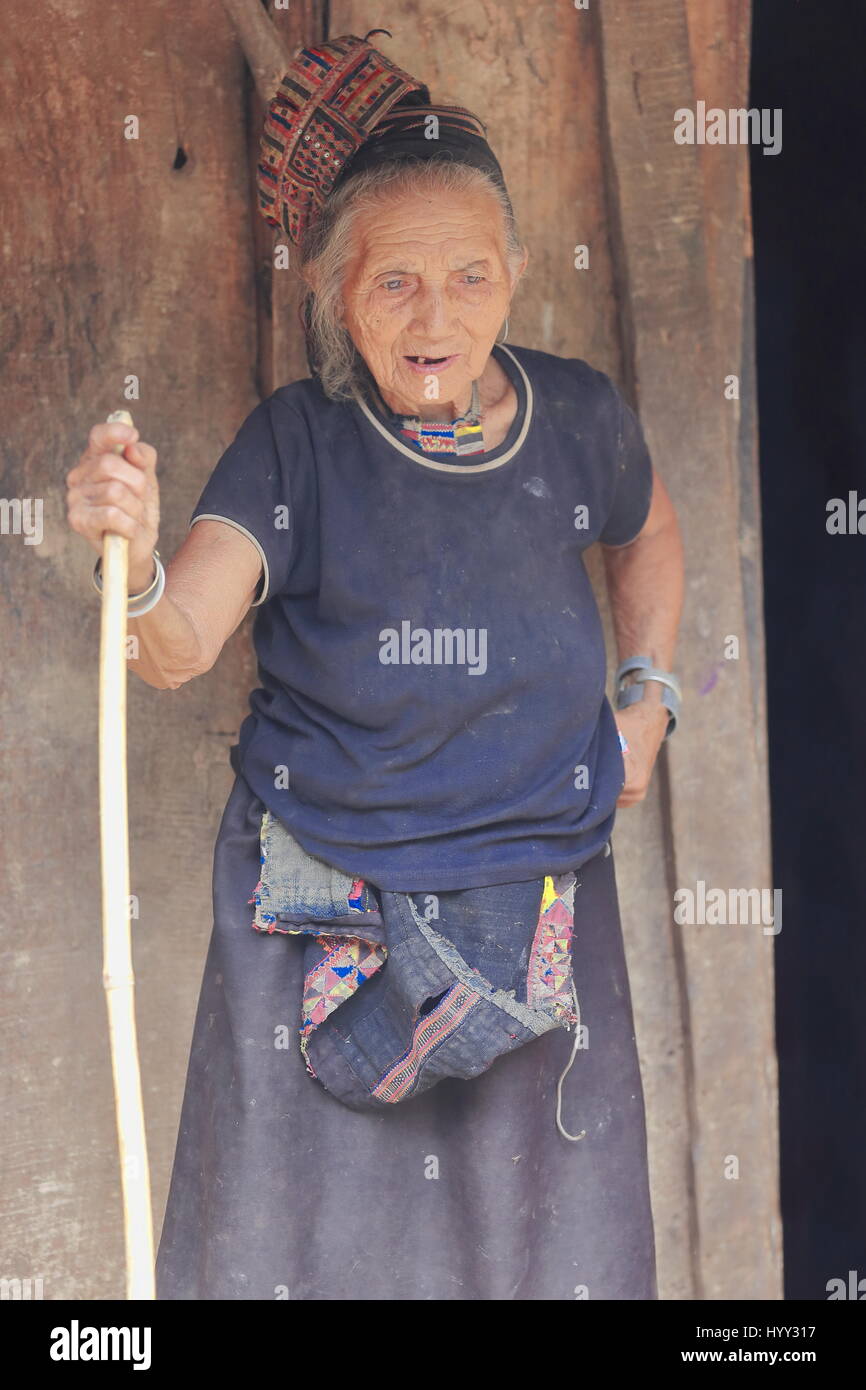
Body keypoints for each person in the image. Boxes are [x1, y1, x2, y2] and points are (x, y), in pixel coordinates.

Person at [66, 33, 684, 1300]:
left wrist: (648, 695)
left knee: (535, 1250)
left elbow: (651, 532)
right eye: (394, 282)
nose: (434, 314)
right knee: (298, 1252)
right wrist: (126, 562)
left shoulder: (577, 420)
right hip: (322, 910)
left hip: (531, 895)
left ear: (513, 272)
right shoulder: (293, 448)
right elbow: (176, 642)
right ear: (337, 294)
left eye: (466, 273)